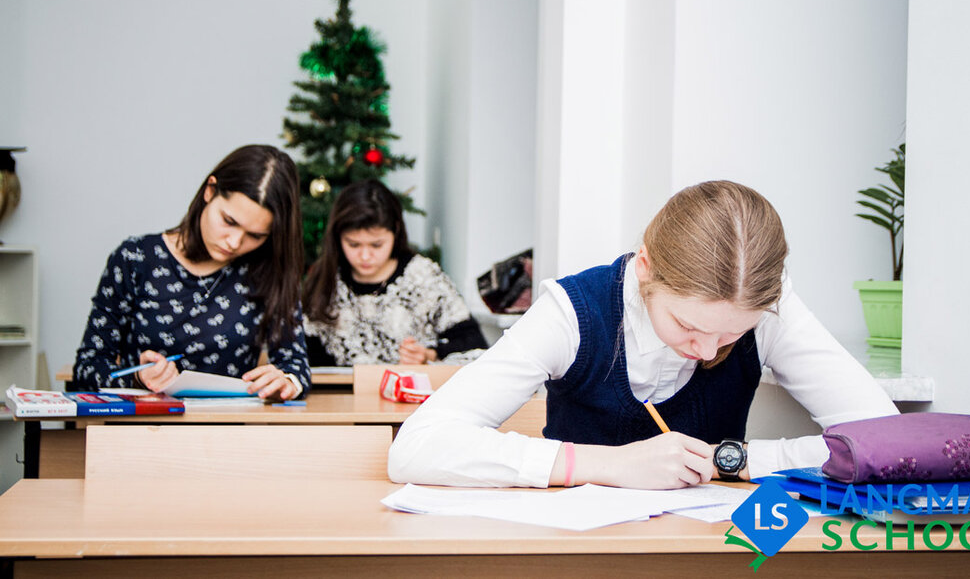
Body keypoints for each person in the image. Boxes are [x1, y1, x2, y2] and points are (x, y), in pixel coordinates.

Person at [388, 180, 899, 489]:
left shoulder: (766, 308)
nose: (706, 351)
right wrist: (607, 465)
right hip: (577, 559)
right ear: (646, 268)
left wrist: (737, 460)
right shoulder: (572, 312)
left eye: (730, 336)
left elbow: (887, 444)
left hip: (717, 557)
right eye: (688, 326)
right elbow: (417, 447)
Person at [73, 144, 311, 401]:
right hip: (142, 431)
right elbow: (88, 368)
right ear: (210, 191)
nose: (234, 242)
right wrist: (137, 379)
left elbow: (295, 365)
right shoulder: (136, 258)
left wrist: (287, 381)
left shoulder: (268, 271)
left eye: (255, 235)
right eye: (229, 222)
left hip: (229, 432)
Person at [302, 179, 487, 366]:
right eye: (353, 244)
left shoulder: (422, 277)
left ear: (395, 231)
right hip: (339, 394)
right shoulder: (326, 280)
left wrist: (429, 355)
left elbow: (474, 346)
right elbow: (305, 355)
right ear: (338, 237)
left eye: (376, 244)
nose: (365, 256)